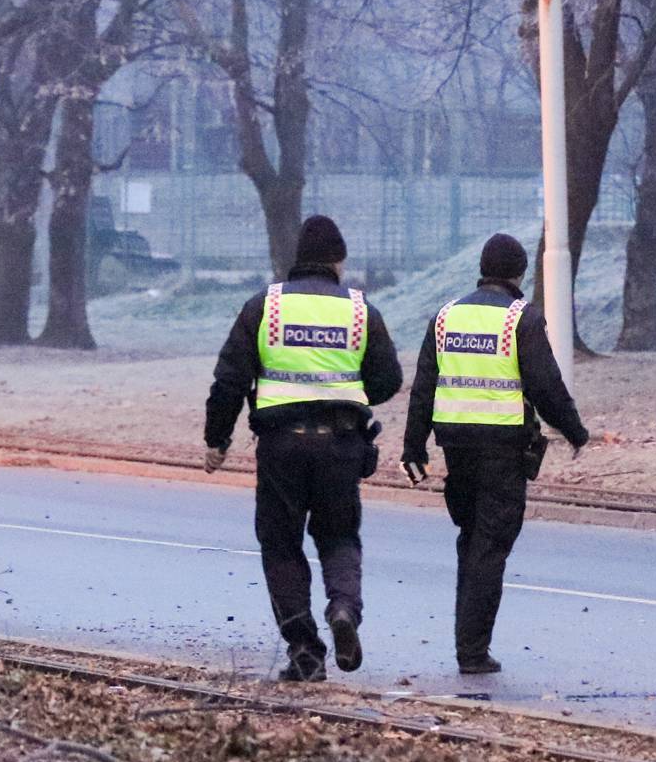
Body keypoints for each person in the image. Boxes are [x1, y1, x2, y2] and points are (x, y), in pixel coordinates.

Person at [204, 213, 403, 683]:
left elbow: (229, 380)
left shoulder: (264, 307)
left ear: (297, 262)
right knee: (338, 535)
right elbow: (388, 379)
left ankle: (305, 651)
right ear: (338, 262)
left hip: (280, 446)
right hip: (341, 444)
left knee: (280, 544)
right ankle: (344, 608)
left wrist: (217, 440)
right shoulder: (360, 311)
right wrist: (345, 395)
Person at [401, 232, 589, 676]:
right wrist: (575, 430)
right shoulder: (520, 320)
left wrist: (414, 448)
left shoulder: (445, 318)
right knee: (490, 547)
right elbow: (546, 387)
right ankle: (472, 651)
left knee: (471, 542)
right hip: (503, 453)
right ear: (519, 273)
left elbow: (424, 387)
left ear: (482, 269)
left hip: (457, 452)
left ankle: (468, 643)